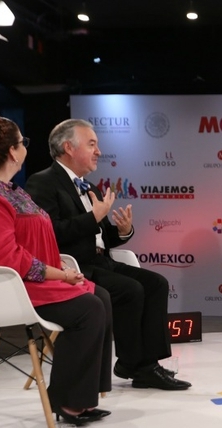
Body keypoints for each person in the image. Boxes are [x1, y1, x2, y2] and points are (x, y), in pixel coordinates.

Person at [0, 115, 113, 426]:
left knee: (100, 296)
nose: (25, 149)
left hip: (20, 279)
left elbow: (27, 240)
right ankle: (68, 403)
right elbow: (3, 256)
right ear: (12, 151)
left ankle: (84, 398)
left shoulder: (10, 189)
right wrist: (59, 274)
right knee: (88, 308)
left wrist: (57, 264)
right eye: (23, 143)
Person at [25, 119, 190, 391]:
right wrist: (93, 218)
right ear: (68, 147)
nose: (99, 151)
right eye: (92, 144)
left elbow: (98, 237)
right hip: (73, 268)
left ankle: (148, 363)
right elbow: (50, 233)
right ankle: (135, 364)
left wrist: (122, 232)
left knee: (156, 283)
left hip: (101, 261)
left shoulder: (90, 187)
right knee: (131, 290)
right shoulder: (42, 182)